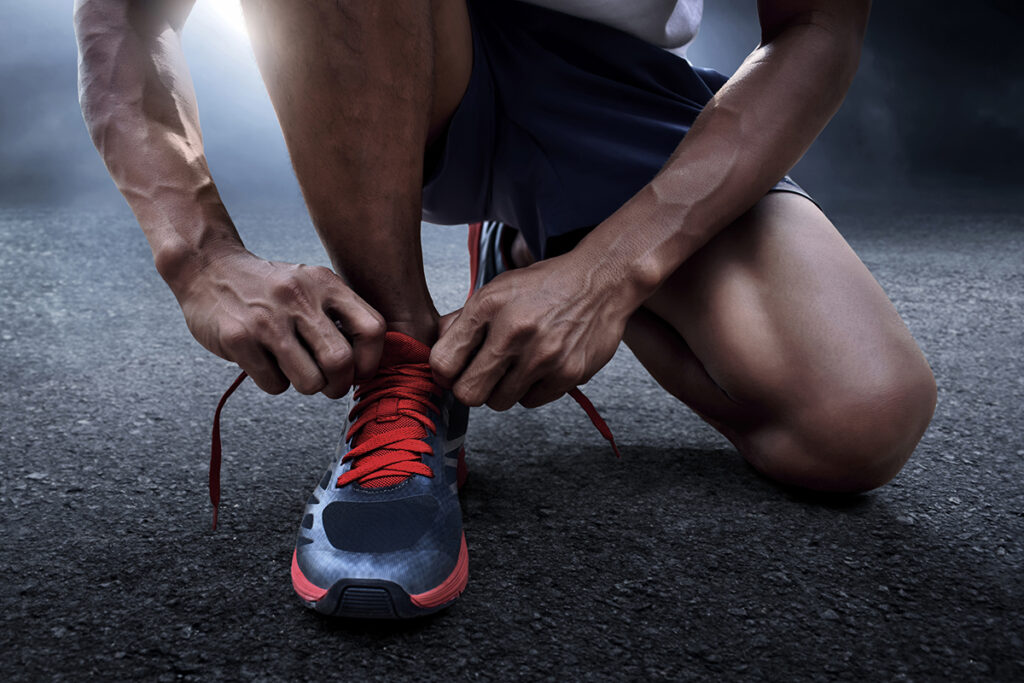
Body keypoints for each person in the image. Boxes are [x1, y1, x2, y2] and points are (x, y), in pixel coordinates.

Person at [75, 0, 937, 619]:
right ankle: (407, 365)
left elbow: (818, 28)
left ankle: (546, 242)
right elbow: (126, 14)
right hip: (382, 46)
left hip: (615, 83)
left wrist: (608, 272)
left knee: (857, 421)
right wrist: (199, 256)